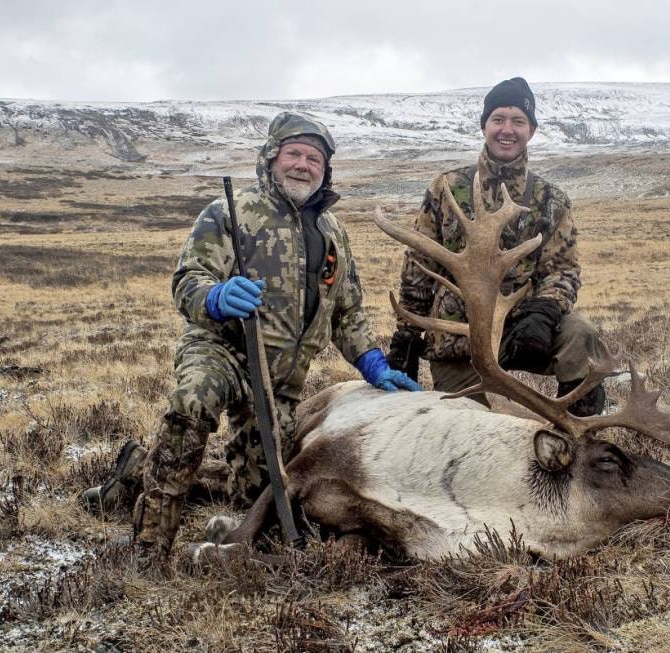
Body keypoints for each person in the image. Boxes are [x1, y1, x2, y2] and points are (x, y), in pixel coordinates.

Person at [83, 111, 420, 566]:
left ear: (325, 169)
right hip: (222, 349)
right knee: (193, 403)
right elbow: (187, 281)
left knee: (263, 486)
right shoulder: (230, 213)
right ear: (272, 157)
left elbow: (347, 313)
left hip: (278, 381)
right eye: (294, 153)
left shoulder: (333, 234)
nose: (303, 165)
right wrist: (215, 297)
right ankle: (149, 544)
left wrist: (374, 365)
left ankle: (138, 470)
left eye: (314, 158)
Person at [387, 77, 607, 415]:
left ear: (531, 130)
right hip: (458, 339)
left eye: (519, 121)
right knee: (468, 432)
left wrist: (544, 313)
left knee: (582, 335)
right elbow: (420, 265)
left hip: (524, 331)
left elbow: (562, 268)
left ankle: (579, 439)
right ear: (484, 126)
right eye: (498, 119)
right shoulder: (446, 188)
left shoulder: (551, 199)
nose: (508, 129)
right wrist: (407, 336)